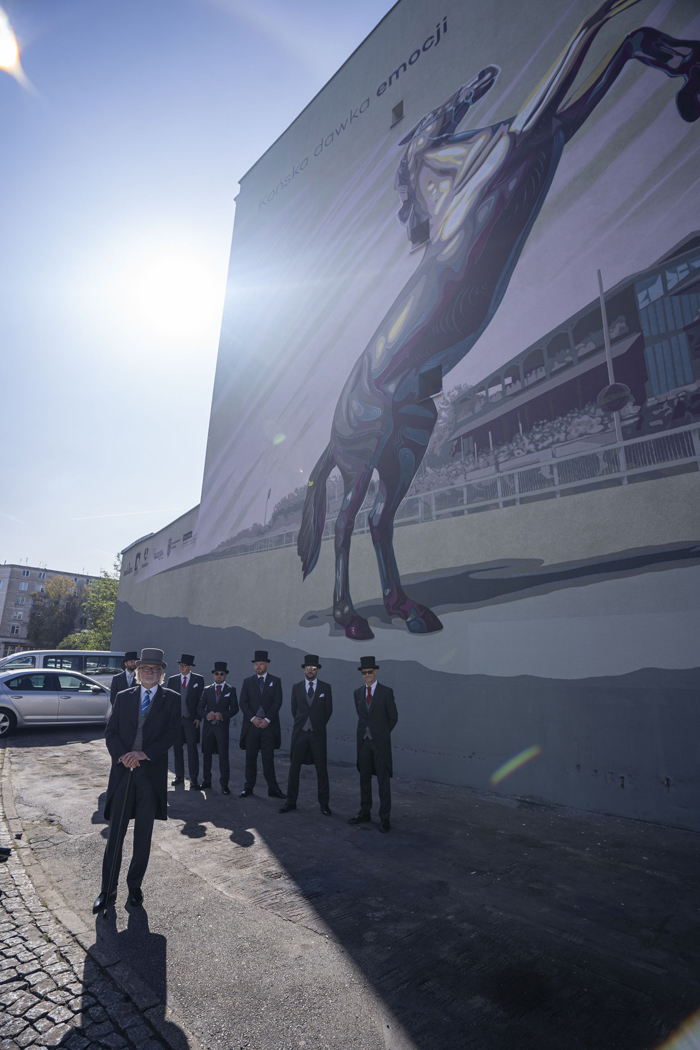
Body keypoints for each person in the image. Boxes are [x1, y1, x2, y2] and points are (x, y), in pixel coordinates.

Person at [93, 648, 180, 911]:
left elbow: (172, 733)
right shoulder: (124, 696)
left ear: (161, 673)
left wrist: (144, 753)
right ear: (138, 671)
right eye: (145, 668)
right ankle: (107, 890)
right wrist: (123, 756)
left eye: (154, 669)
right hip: (123, 774)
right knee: (115, 835)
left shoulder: (171, 698)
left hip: (150, 777)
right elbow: (111, 732)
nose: (149, 672)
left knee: (143, 836)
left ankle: (134, 887)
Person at [348, 656, 398, 833]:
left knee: (383, 782)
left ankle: (384, 817)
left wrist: (381, 734)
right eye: (364, 672)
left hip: (380, 745)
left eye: (370, 672)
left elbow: (393, 717)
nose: (367, 675)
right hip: (364, 743)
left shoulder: (386, 692)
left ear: (375, 672)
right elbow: (362, 715)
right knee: (364, 779)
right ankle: (365, 811)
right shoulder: (357, 693)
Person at [280, 655, 332, 816]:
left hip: (317, 733)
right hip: (300, 732)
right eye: (308, 668)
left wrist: (317, 724)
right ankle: (291, 801)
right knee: (294, 768)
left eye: (313, 668)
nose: (310, 671)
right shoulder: (296, 687)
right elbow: (294, 709)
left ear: (318, 670)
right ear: (304, 670)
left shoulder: (325, 688)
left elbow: (328, 711)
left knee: (321, 769)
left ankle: (324, 804)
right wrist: (303, 723)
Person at [238, 650, 284, 799]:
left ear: (267, 665)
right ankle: (248, 787)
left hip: (268, 727)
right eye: (256, 664)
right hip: (252, 727)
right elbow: (243, 703)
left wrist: (267, 720)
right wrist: (253, 718)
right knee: (250, 759)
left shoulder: (275, 681)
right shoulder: (248, 681)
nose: (258, 666)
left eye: (261, 664)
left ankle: (273, 789)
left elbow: (277, 702)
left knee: (268, 759)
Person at [198, 661, 238, 795]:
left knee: (223, 756)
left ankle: (224, 784)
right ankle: (206, 781)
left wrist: (223, 715)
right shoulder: (207, 689)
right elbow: (199, 708)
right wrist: (206, 715)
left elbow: (235, 708)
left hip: (221, 727)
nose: (219, 676)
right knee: (206, 756)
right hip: (208, 727)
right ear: (213, 675)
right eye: (217, 673)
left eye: (222, 674)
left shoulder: (231, 690)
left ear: (225, 675)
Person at [168, 654, 205, 790]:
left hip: (191, 720)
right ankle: (179, 776)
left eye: (184, 666)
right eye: (180, 665)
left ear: (190, 667)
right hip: (176, 720)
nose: (181, 667)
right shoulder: (172, 680)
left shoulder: (198, 680)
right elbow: (168, 700)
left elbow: (202, 700)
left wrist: (199, 717)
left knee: (192, 749)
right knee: (177, 748)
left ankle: (193, 778)